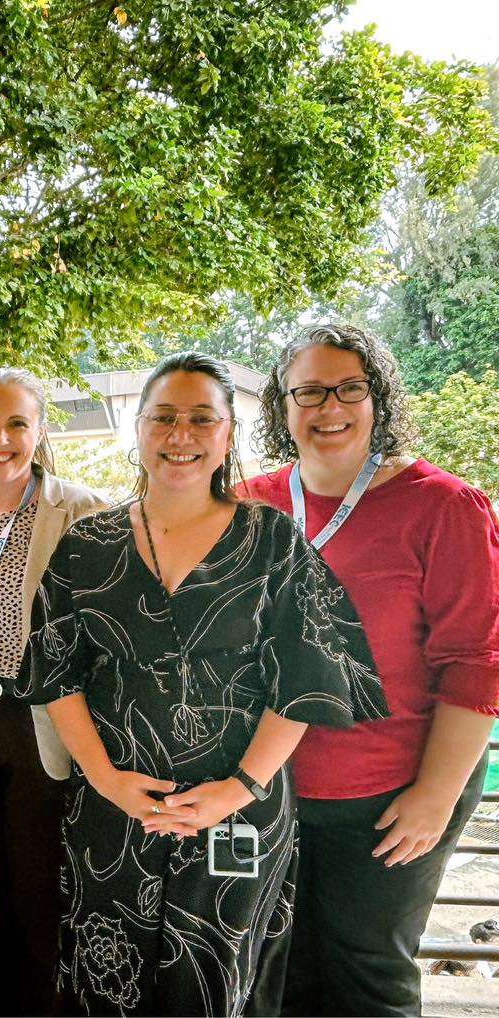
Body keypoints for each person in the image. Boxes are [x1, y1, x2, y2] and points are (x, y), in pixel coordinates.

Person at [18, 351, 389, 1016]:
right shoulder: (87, 545)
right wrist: (107, 782)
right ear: (138, 428)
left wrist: (237, 789)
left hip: (238, 813)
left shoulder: (273, 541)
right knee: (108, 985)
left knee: (215, 992)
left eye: (200, 419)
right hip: (113, 811)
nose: (179, 435)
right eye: (163, 417)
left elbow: (304, 684)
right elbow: (55, 677)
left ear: (226, 436)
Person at [243, 324, 499, 1016]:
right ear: (281, 406)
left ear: (377, 396)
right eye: (309, 391)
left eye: (349, 387)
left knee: (368, 978)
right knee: (281, 973)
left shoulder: (443, 507)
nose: (330, 407)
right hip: (275, 793)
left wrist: (436, 797)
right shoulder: (246, 505)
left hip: (392, 793)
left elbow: (477, 668)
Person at [0, 367, 105, 1016]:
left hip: (44, 726)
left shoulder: (81, 510)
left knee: (41, 901)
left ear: (39, 430)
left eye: (16, 424)